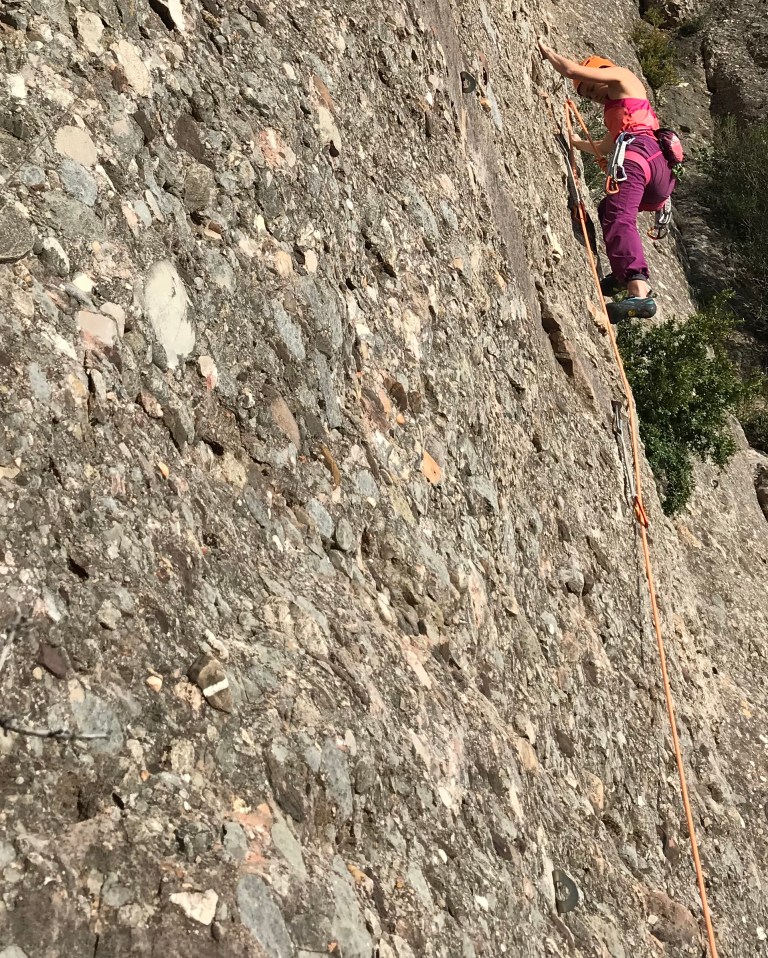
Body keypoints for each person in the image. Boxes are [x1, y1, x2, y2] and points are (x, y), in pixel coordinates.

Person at [537, 38, 676, 323]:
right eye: (587, 96)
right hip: (658, 170)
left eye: (591, 88)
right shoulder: (622, 108)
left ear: (602, 71)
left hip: (640, 156)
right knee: (608, 209)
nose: (593, 96)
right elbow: (603, 147)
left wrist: (548, 52)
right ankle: (623, 274)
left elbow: (570, 70)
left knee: (619, 215)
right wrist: (575, 142)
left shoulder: (622, 76)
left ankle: (639, 290)